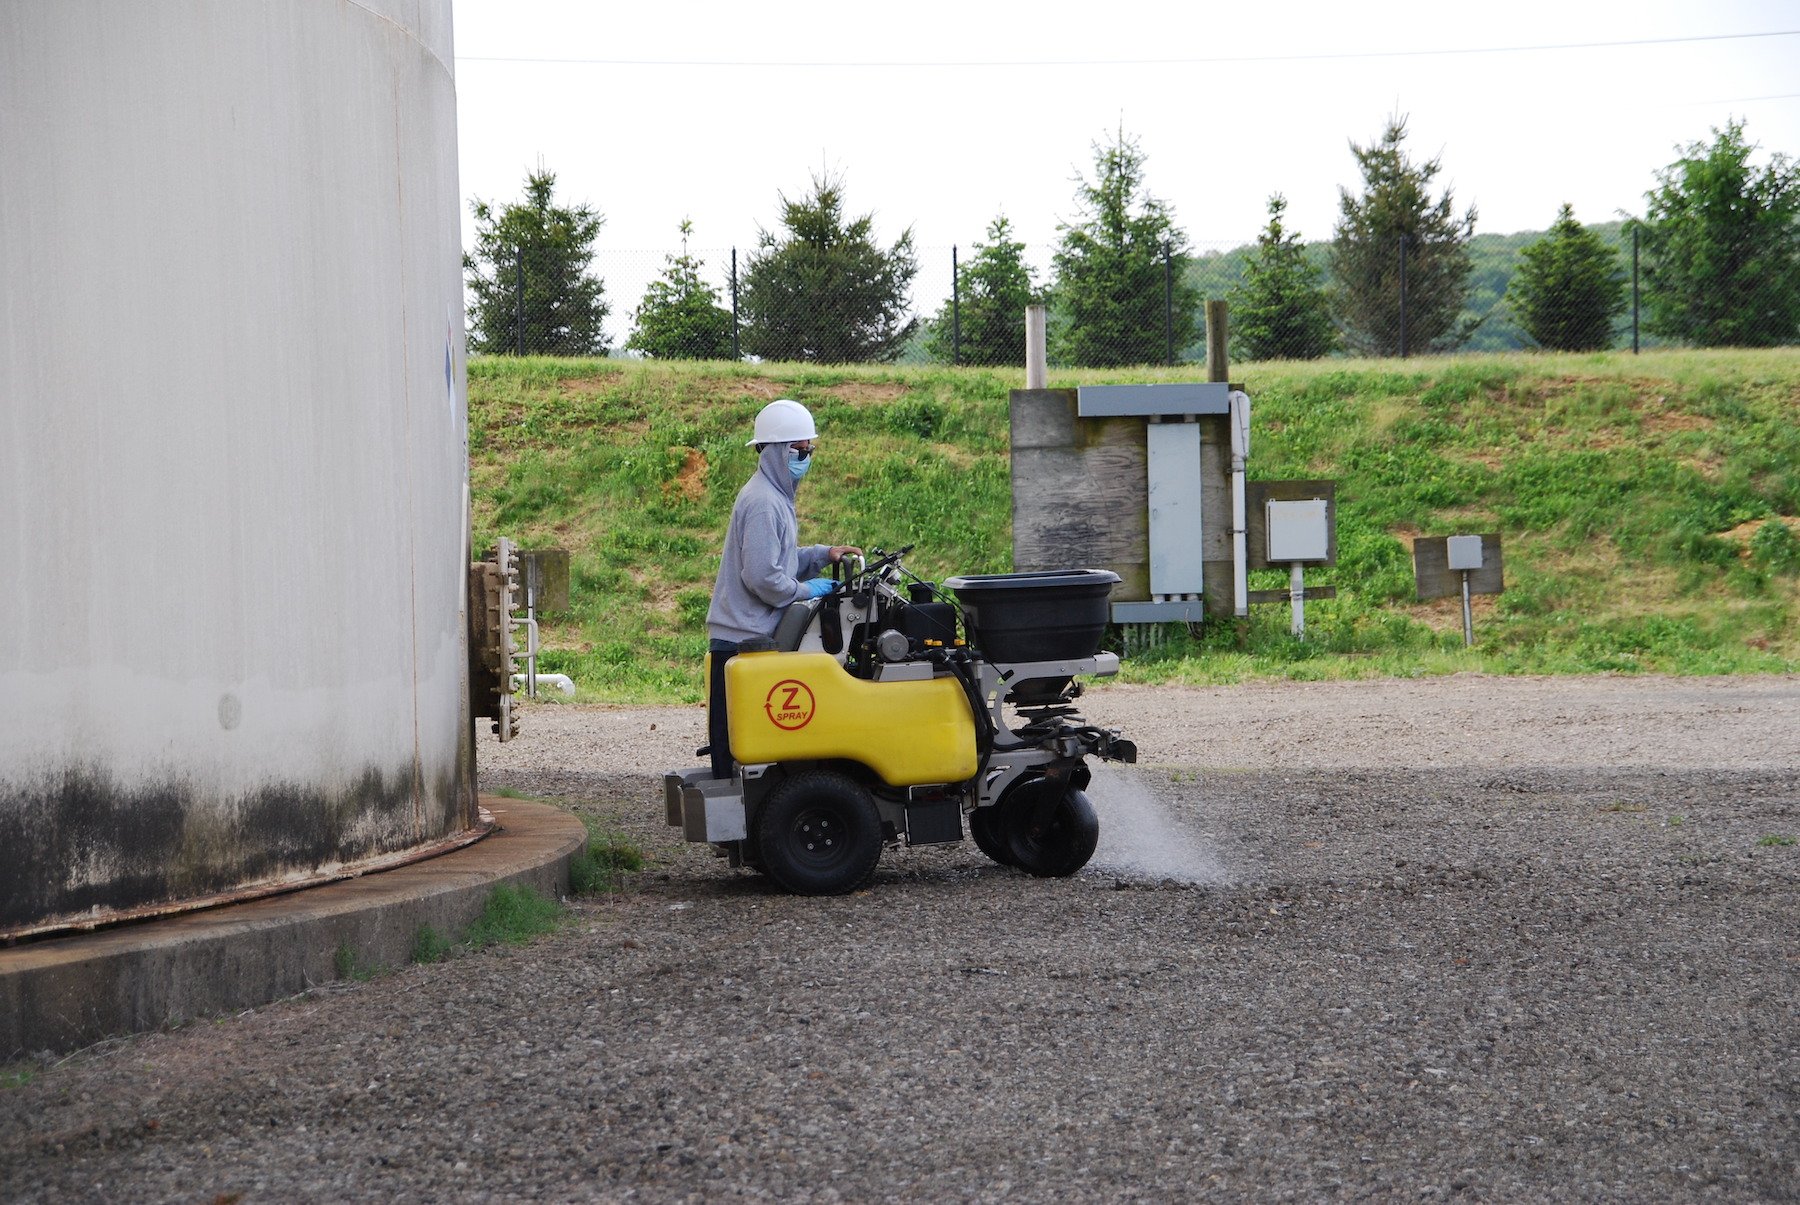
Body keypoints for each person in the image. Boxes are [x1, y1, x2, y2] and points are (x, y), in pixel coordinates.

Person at [704, 398, 860, 777]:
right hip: (744, 639)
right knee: (740, 745)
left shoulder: (774, 496)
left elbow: (781, 559)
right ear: (774, 451)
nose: (805, 457)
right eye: (799, 450)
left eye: (809, 450)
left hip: (749, 633)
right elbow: (762, 578)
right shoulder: (763, 502)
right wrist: (808, 591)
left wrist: (825, 554)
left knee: (747, 739)